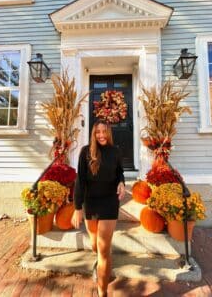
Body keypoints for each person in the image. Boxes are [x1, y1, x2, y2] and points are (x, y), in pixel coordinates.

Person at [71, 119, 126, 297]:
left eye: (104, 131)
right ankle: (101, 262)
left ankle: (102, 291)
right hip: (91, 202)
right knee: (95, 245)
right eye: (97, 132)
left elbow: (120, 172)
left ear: (109, 132)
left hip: (110, 201)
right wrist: (77, 207)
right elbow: (80, 181)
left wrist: (122, 183)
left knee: (103, 249)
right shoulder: (86, 152)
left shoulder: (115, 151)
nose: (101, 135)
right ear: (93, 134)